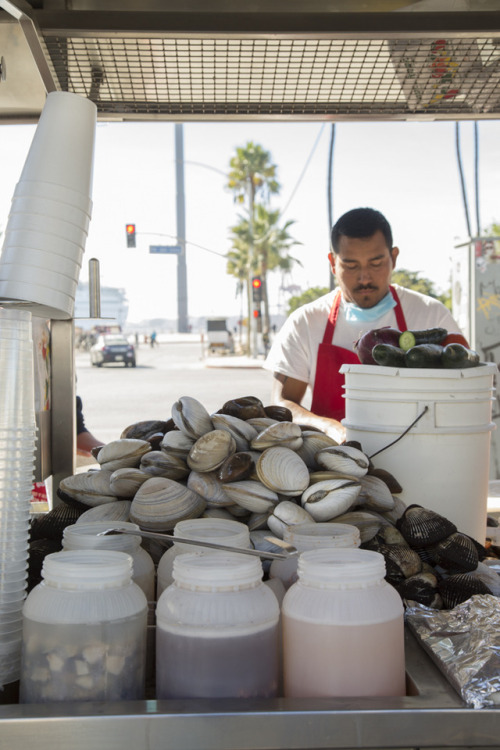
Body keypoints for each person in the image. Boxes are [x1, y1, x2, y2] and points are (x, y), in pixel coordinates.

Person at [264, 207, 465, 442]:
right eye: (351, 266)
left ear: (394, 258)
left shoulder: (432, 315)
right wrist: (329, 427)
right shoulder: (305, 323)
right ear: (332, 262)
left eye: (376, 263)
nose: (365, 278)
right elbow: (282, 403)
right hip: (337, 464)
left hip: (419, 459)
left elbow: (463, 389)